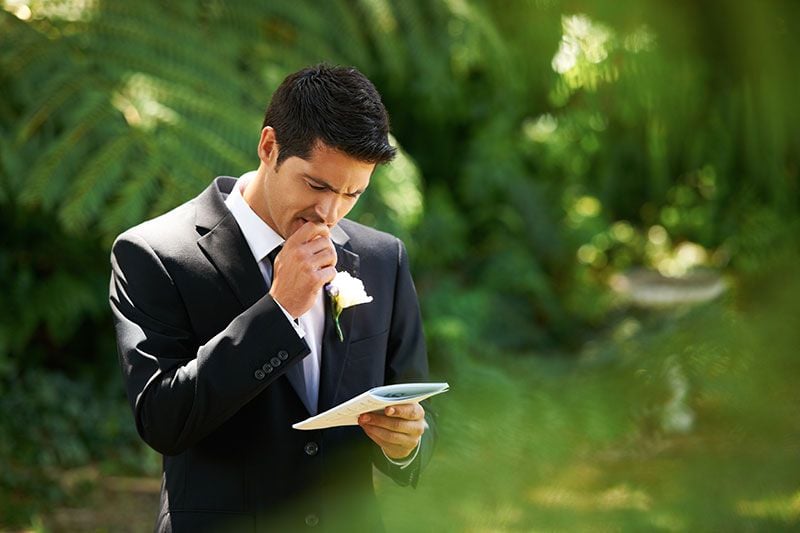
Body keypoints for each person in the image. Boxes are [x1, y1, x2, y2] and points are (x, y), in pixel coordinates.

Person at [109, 64, 436, 532]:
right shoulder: (154, 254)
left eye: (352, 193)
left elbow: (416, 403)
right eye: (317, 185)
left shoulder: (383, 258)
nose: (330, 213)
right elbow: (164, 421)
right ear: (269, 147)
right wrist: (278, 310)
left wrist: (407, 444)